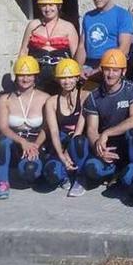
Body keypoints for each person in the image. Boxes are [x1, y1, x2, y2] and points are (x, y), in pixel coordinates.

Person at [0, 56, 51, 200]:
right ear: (16, 77)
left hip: (35, 142)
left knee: (30, 171)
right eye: (21, 75)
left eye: (29, 75)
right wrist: (22, 142)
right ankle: (3, 182)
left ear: (35, 76)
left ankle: (33, 171)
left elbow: (47, 127)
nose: (25, 79)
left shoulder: (46, 98)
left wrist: (36, 145)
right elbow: (3, 127)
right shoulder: (4, 99)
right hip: (14, 142)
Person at [82, 49, 133, 187]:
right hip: (108, 147)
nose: (110, 74)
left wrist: (106, 133)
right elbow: (92, 129)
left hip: (127, 143)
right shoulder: (94, 96)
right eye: (107, 70)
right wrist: (98, 148)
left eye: (115, 70)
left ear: (123, 71)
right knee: (91, 169)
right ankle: (112, 173)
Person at [41, 58, 91, 197]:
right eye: (63, 78)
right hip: (61, 142)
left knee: (79, 141)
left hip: (79, 142)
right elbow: (54, 132)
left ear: (77, 77)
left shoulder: (85, 96)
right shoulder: (51, 102)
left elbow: (79, 130)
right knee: (53, 173)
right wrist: (62, 156)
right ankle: (65, 176)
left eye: (70, 77)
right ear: (57, 79)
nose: (67, 81)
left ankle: (80, 178)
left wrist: (68, 152)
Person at [18, 0, 79, 93]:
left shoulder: (68, 27)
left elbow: (76, 56)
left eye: (51, 5)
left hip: (61, 75)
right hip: (36, 74)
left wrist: (74, 77)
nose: (47, 9)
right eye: (43, 5)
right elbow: (23, 51)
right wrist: (20, 74)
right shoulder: (33, 25)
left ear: (58, 6)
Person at [75, 0, 133, 78]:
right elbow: (82, 46)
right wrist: (78, 69)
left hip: (111, 67)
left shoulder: (122, 15)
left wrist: (99, 69)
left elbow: (124, 49)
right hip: (88, 67)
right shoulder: (88, 17)